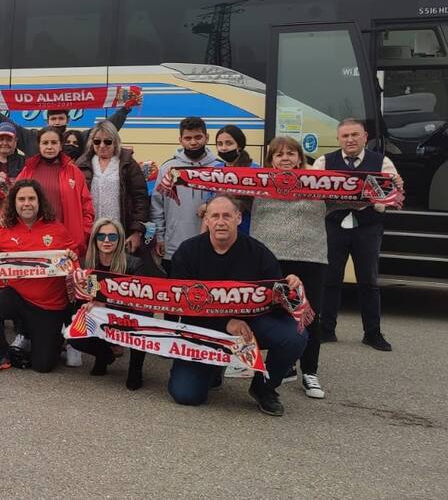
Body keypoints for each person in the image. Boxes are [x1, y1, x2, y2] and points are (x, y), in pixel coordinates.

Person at [166, 195, 307, 416]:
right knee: (186, 395)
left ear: (238, 218)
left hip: (251, 324)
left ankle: (264, 388)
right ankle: (213, 368)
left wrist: (290, 286)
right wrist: (226, 323)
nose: (221, 222)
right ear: (206, 220)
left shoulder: (258, 252)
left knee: (294, 336)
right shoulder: (188, 251)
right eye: (214, 216)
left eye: (227, 216)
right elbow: (180, 306)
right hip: (205, 327)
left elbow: (277, 302)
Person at [0, 179, 78, 374]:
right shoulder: (4, 229)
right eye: (21, 199)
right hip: (19, 295)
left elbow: (73, 255)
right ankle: (1, 354)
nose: (27, 203)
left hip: (49, 305)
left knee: (42, 366)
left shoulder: (56, 229)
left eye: (31, 198)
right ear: (14, 203)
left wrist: (72, 261)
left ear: (39, 202)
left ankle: (51, 338)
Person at [312, 118, 403, 352]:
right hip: (333, 226)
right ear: (338, 138)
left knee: (368, 281)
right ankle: (326, 329)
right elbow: (312, 192)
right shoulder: (324, 161)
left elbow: (394, 194)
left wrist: (394, 188)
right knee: (330, 280)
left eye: (355, 135)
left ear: (365, 136)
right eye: (345, 136)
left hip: (368, 227)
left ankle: (372, 333)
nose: (350, 140)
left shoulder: (382, 162)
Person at [249, 136, 330, 399]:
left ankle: (309, 372)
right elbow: (230, 199)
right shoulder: (257, 185)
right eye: (278, 154)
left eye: (291, 153)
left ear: (300, 158)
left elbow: (356, 198)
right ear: (270, 160)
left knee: (309, 317)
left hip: (310, 259)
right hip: (268, 260)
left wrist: (389, 189)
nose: (285, 158)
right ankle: (277, 367)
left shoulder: (321, 185)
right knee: (268, 314)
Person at [74, 219, 151, 387]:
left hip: (126, 312)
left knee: (144, 315)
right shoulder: (86, 263)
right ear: (95, 239)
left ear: (120, 239)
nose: (106, 241)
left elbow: (139, 301)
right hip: (97, 312)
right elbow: (84, 292)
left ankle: (135, 368)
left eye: (112, 236)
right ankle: (104, 355)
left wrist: (107, 304)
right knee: (73, 321)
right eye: (101, 236)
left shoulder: (134, 264)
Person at [150, 116, 220, 272]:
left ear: (207, 138)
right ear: (180, 140)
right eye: (188, 138)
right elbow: (157, 207)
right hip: (174, 247)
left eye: (198, 137)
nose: (193, 142)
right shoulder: (167, 169)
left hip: (212, 248)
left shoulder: (220, 168)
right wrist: (160, 237)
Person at [15, 127, 94, 255]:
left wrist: (82, 234)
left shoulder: (74, 172)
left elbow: (87, 207)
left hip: (67, 243)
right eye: (45, 143)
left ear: (61, 145)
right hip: (33, 240)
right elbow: (12, 201)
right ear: (39, 145)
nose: (49, 147)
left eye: (54, 142)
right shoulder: (28, 171)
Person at [76, 120, 149, 256]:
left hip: (121, 232)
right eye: (97, 141)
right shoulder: (81, 165)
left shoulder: (128, 164)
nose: (102, 146)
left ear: (115, 142)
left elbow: (141, 200)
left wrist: (136, 231)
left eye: (107, 142)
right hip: (90, 233)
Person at [0, 102, 130, 159]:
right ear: (47, 121)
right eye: (53, 119)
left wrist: (124, 110)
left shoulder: (77, 138)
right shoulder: (32, 137)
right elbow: (9, 126)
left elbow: (105, 129)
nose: (56, 122)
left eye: (60, 118)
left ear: (68, 120)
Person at [207, 124, 260, 234]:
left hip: (246, 230)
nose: (224, 148)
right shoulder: (215, 170)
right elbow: (209, 198)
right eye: (220, 144)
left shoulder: (254, 169)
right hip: (219, 232)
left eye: (229, 143)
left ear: (239, 145)